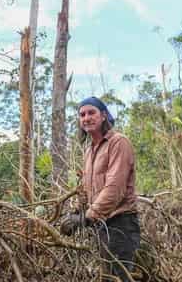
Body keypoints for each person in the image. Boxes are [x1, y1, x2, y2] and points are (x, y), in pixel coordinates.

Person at [61, 96, 140, 281]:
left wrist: (87, 217)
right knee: (106, 276)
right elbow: (88, 188)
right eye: (82, 114)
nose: (86, 118)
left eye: (91, 112)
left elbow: (114, 188)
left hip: (121, 224)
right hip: (102, 225)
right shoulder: (90, 150)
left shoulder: (118, 142)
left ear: (103, 115)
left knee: (117, 277)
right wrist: (78, 213)